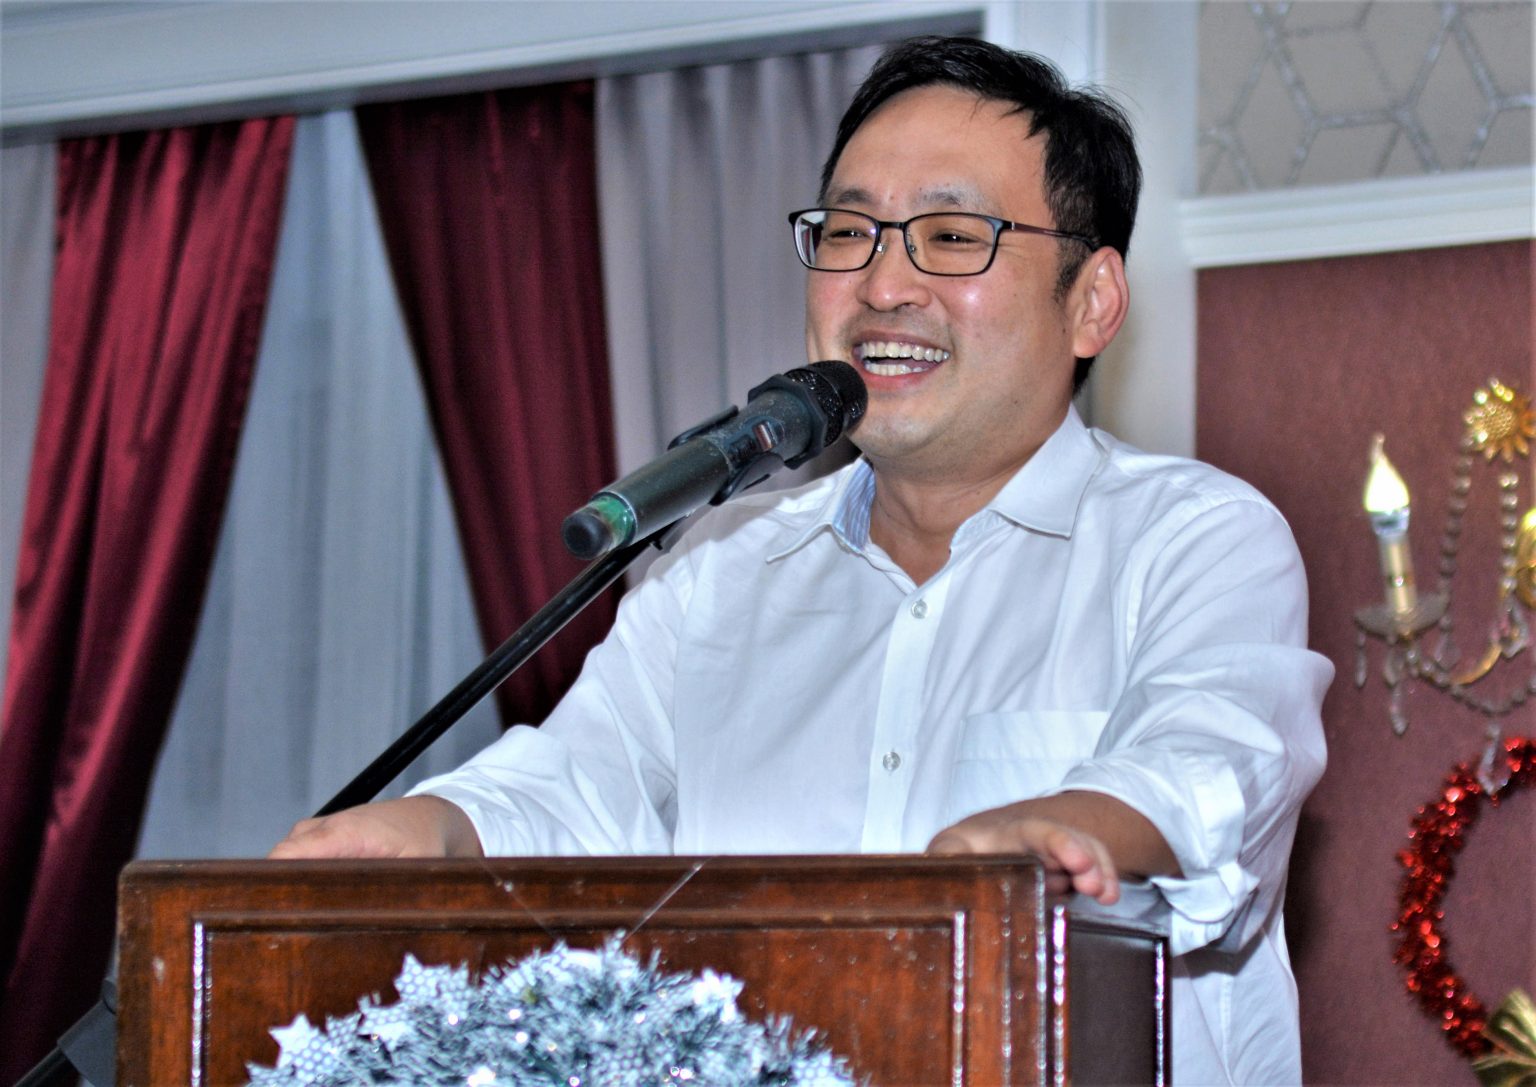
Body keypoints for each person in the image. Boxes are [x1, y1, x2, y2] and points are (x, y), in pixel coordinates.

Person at [272, 36, 1331, 1084]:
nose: (884, 283)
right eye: (849, 232)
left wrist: (1067, 828)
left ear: (1091, 299)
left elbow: (1212, 763)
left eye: (951, 236)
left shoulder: (1193, 540)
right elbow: (576, 784)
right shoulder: (720, 571)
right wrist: (437, 827)